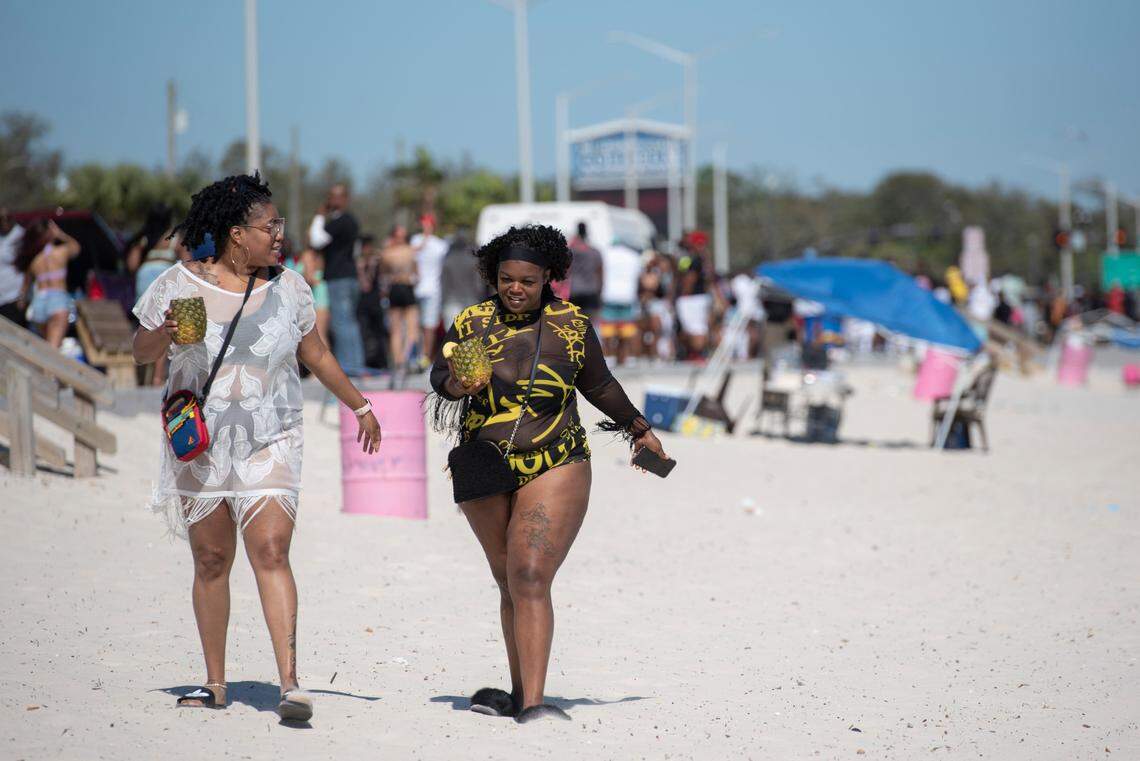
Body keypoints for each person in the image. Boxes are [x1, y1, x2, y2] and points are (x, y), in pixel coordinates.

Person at [131, 173, 382, 722]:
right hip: (200, 443)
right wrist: (167, 333)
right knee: (212, 559)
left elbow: (314, 354)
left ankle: (290, 684)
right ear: (236, 234)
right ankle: (214, 683)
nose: (279, 234)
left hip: (271, 438)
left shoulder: (289, 286)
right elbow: (140, 348)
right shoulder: (179, 283)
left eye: (280, 225)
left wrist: (359, 406)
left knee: (271, 550)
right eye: (271, 226)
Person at [428, 224, 668, 723]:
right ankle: (519, 693)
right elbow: (439, 381)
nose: (516, 288)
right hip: (483, 464)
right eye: (506, 279)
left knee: (531, 574)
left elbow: (599, 385)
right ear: (493, 276)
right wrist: (457, 382)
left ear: (549, 279)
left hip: (556, 457)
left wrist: (639, 429)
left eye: (528, 281)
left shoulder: (572, 325)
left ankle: (534, 705)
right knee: (507, 579)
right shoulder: (471, 321)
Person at [309, 183, 365, 375]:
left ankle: (348, 367)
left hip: (339, 278)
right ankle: (356, 364)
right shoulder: (352, 221)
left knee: (341, 322)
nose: (330, 200)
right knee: (350, 321)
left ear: (343, 199)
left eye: (333, 196)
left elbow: (316, 240)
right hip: (349, 277)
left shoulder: (340, 221)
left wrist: (318, 216)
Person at [17, 218, 81, 348]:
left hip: (39, 302)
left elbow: (24, 289)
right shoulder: (60, 253)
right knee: (53, 351)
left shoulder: (34, 261)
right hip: (57, 301)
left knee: (44, 348)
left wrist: (22, 302)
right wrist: (59, 233)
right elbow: (76, 247)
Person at [379, 224, 419, 372]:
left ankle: (398, 360)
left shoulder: (387, 253)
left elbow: (383, 273)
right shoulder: (410, 251)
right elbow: (417, 273)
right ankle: (407, 357)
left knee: (396, 328)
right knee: (411, 326)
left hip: (394, 288)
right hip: (407, 286)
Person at [412, 214, 449, 365]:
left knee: (429, 325)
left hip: (433, 289)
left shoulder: (441, 245)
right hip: (416, 289)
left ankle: (426, 357)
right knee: (416, 325)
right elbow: (412, 254)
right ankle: (417, 355)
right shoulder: (416, 239)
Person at [599, 237, 642, 364]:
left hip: (608, 295)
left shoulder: (605, 254)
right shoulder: (634, 256)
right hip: (628, 296)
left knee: (607, 330)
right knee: (626, 331)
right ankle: (624, 358)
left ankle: (609, 358)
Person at [439, 226, 485, 329]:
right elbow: (478, 284)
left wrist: (442, 303)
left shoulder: (447, 259)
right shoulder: (473, 260)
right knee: (470, 338)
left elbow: (443, 284)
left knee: (452, 339)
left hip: (451, 303)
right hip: (471, 302)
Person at [566, 222, 604, 321]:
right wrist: (599, 293)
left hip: (574, 291)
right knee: (589, 325)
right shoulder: (595, 252)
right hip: (590, 291)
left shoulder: (571, 252)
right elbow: (600, 274)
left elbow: (566, 271)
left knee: (574, 324)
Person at [0, 208, 26, 327]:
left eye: (7, 218)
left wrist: (23, 295)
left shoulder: (21, 236)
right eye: (1, 219)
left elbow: (29, 267)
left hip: (14, 296)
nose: (4, 222)